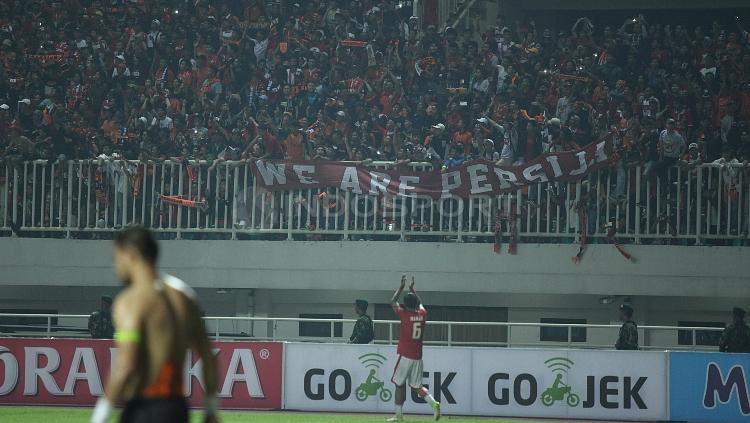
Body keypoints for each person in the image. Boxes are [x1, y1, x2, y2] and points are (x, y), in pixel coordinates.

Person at [91, 226, 219, 423]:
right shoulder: (186, 298)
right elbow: (209, 357)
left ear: (131, 255)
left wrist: (99, 417)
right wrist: (210, 410)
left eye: (117, 258)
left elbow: (126, 364)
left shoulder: (131, 301)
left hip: (144, 408)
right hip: (177, 409)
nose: (116, 266)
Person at [388, 275, 440, 422]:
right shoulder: (423, 315)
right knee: (417, 386)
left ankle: (399, 416)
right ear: (416, 303)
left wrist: (401, 287)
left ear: (405, 303)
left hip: (405, 355)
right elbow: (421, 304)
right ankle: (434, 404)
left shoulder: (404, 314)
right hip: (417, 357)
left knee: (399, 384)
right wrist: (412, 289)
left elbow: (392, 301)